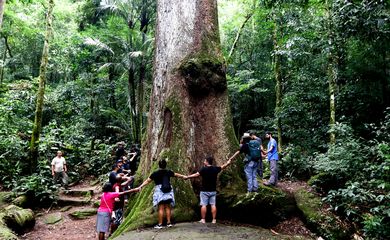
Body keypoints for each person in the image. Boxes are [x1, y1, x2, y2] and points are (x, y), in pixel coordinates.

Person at [135, 159, 186, 229]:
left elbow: (147, 181)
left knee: (161, 208)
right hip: (168, 189)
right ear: (166, 165)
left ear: (158, 165)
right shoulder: (168, 172)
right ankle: (169, 223)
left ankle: (160, 224)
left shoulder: (155, 173)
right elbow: (176, 174)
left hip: (159, 191)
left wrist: (140, 186)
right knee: (168, 207)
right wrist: (184, 176)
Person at [185, 155, 232, 224]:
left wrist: (188, 177)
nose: (204, 162)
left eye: (204, 161)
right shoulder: (215, 169)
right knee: (213, 205)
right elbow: (223, 167)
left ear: (207, 162)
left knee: (204, 205)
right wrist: (228, 163)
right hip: (213, 191)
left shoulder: (204, 169)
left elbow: (196, 174)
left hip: (204, 191)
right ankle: (214, 220)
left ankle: (203, 219)